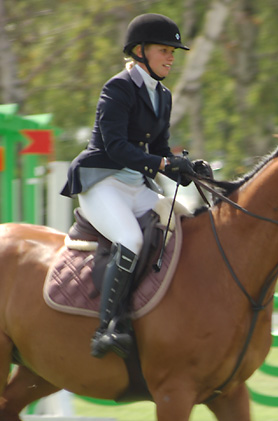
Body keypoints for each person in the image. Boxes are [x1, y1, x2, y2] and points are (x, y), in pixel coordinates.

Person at [61, 13, 205, 359]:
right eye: (164, 50)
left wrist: (186, 169)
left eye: (173, 51)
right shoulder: (118, 87)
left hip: (135, 185)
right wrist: (163, 164)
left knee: (185, 227)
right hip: (102, 182)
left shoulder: (163, 95)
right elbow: (116, 147)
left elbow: (157, 150)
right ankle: (107, 327)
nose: (171, 57)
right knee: (130, 239)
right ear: (139, 51)